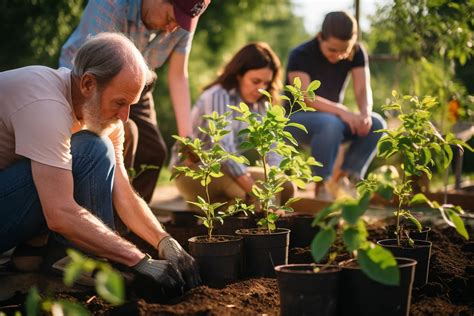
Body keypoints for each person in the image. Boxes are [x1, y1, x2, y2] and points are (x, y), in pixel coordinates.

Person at [0, 33, 199, 292]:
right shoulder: (45, 103)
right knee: (90, 149)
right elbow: (60, 213)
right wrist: (138, 259)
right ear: (87, 84)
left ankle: (47, 255)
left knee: (94, 147)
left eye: (131, 104)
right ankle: (81, 261)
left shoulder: (106, 119)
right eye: (120, 102)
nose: (125, 116)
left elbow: (124, 193)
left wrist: (164, 241)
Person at [59, 0, 211, 203]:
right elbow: (94, 68)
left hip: (138, 86)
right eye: (169, 18)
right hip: (88, 81)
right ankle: (92, 213)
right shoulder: (111, 5)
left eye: (179, 23)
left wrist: (187, 138)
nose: (171, 29)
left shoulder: (184, 18)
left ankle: (131, 228)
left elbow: (177, 76)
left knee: (153, 151)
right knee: (110, 142)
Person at [170, 42, 294, 206]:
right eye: (256, 81)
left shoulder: (260, 104)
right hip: (195, 172)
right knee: (249, 198)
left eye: (266, 83)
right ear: (239, 75)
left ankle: (218, 206)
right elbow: (224, 151)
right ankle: (201, 207)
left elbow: (273, 149)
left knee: (285, 186)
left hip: (228, 173)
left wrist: (272, 182)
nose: (261, 89)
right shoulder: (218, 95)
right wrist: (259, 194)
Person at [285, 11, 386, 200]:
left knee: (377, 124)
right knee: (330, 122)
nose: (338, 55)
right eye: (332, 49)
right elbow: (305, 97)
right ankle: (321, 185)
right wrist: (343, 111)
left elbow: (363, 90)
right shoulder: (300, 54)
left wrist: (365, 113)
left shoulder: (357, 52)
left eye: (344, 50)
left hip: (333, 121)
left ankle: (344, 179)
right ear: (320, 37)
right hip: (296, 120)